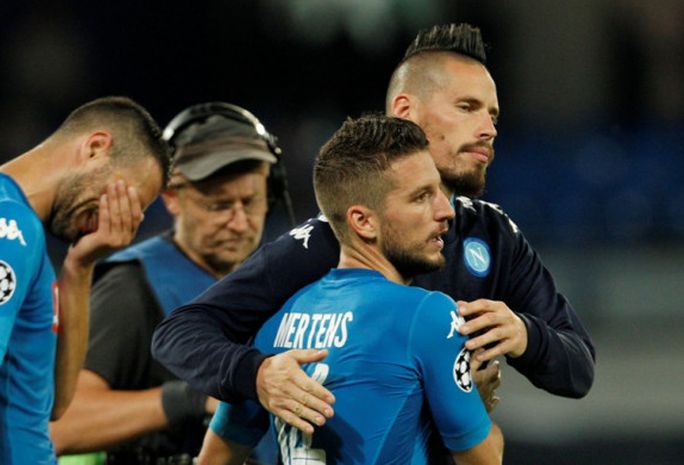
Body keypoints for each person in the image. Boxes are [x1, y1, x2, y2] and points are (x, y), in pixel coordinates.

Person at [152, 23, 595, 434]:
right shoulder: (332, 239)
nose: (488, 129)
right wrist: (260, 375)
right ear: (406, 111)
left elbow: (579, 369)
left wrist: (525, 335)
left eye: (493, 116)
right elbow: (179, 334)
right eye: (467, 108)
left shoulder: (494, 235)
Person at [200, 114, 504, 465]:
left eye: (438, 191)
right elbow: (485, 460)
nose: (444, 210)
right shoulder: (428, 314)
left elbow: (211, 459)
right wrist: (476, 412)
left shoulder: (273, 319)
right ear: (363, 221)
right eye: (421, 197)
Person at [49, 103, 285, 464]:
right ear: (172, 197)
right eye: (219, 206)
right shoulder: (132, 286)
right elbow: (62, 424)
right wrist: (188, 399)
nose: (240, 223)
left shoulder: (281, 284)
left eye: (250, 203)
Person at [0, 96, 171, 465]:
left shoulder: (8, 218)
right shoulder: (10, 227)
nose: (119, 219)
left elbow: (52, 402)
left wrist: (81, 266)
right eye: (123, 197)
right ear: (95, 148)